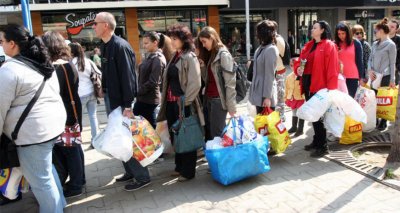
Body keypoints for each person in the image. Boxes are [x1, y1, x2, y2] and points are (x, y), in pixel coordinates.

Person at [0, 24, 67, 212]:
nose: (1, 45)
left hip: (33, 135)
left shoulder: (9, 69)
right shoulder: (41, 62)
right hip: (51, 127)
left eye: (2, 41)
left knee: (41, 182)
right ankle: (60, 204)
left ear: (12, 44)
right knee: (46, 171)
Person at [93, 12, 151, 191]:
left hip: (122, 102)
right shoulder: (104, 46)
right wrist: (103, 87)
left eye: (96, 23)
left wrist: (128, 105)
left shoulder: (120, 46)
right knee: (119, 138)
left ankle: (142, 177)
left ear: (106, 26)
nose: (93, 27)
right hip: (112, 98)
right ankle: (130, 171)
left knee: (127, 139)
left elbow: (128, 78)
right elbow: (107, 71)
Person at [156, 24, 203, 182]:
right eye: (172, 38)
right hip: (171, 103)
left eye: (175, 38)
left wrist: (185, 103)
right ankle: (179, 166)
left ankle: (188, 171)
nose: (173, 41)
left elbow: (195, 83)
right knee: (175, 135)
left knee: (186, 135)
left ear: (184, 40)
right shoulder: (176, 55)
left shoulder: (189, 57)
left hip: (183, 104)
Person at [42, 31, 85, 198]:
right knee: (75, 148)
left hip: (64, 115)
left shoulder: (56, 68)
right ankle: (79, 180)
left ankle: (75, 185)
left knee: (70, 150)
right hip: (72, 111)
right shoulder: (67, 64)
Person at [295, 20, 339, 158]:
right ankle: (317, 140)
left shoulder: (329, 45)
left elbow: (332, 69)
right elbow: (299, 61)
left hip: (320, 85)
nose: (311, 30)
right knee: (313, 113)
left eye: (314, 28)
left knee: (319, 115)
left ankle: (323, 145)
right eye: (312, 28)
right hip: (308, 82)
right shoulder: (309, 45)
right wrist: (298, 69)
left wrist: (331, 89)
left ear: (322, 30)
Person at [197, 26, 236, 141]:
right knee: (212, 133)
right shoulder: (213, 54)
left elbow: (230, 83)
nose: (203, 45)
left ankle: (223, 158)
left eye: (204, 41)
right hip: (209, 99)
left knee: (218, 134)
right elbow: (208, 79)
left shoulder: (223, 55)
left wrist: (232, 107)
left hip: (218, 100)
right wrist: (203, 67)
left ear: (212, 38)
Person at [368, 17, 397, 131]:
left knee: (383, 99)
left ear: (381, 31)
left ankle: (383, 121)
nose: (374, 33)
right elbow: (369, 59)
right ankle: (375, 120)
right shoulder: (375, 44)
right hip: (374, 76)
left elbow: (392, 62)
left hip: (385, 76)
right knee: (373, 99)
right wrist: (369, 71)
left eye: (375, 31)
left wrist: (392, 80)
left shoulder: (391, 45)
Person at [69, 42, 100, 146]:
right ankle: (95, 140)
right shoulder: (88, 61)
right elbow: (99, 73)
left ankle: (78, 141)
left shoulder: (70, 64)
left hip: (79, 95)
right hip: (91, 92)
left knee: (78, 119)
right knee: (93, 116)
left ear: (72, 52)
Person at [135, 31, 167, 128]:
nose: (144, 46)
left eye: (146, 43)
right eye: (143, 43)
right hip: (143, 98)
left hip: (149, 100)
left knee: (150, 129)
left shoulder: (158, 59)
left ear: (155, 42)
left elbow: (153, 82)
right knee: (142, 128)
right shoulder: (151, 56)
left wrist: (137, 91)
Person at [249, 20, 279, 114]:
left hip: (265, 94)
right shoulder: (261, 48)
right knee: (261, 125)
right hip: (258, 91)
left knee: (266, 125)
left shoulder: (271, 49)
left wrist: (267, 97)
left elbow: (269, 75)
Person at [334, 21, 364, 98]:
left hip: (352, 77)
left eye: (343, 33)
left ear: (348, 32)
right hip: (339, 77)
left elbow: (359, 62)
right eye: (339, 34)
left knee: (350, 101)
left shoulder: (356, 43)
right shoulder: (334, 44)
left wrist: (361, 78)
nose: (341, 36)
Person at [272, 20, 288, 121]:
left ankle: (281, 116)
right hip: (275, 69)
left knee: (279, 94)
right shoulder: (273, 39)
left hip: (278, 69)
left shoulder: (278, 39)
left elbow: (280, 53)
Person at [285, 58, 305, 137]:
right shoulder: (289, 77)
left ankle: (300, 129)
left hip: (300, 98)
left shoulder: (302, 76)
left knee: (301, 113)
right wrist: (286, 97)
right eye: (291, 65)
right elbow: (286, 87)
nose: (292, 67)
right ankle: (294, 127)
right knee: (294, 112)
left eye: (294, 65)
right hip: (292, 98)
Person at [388, 19, 400, 84]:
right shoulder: (380, 39)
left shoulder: (399, 40)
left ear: (396, 29)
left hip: (395, 72)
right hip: (381, 72)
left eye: (392, 27)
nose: (389, 28)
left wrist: (397, 68)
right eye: (388, 26)